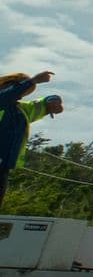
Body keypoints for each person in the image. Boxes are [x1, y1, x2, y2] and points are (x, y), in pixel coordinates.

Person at [0, 69, 63, 209]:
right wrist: (32, 81)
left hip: (3, 168)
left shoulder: (18, 109)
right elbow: (4, 97)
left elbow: (37, 107)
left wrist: (51, 101)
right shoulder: (3, 100)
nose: (23, 96)